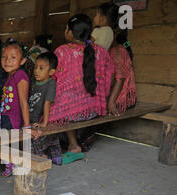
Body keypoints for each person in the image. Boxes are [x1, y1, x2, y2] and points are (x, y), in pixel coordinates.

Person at [49, 14, 114, 160]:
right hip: (95, 109)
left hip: (71, 114)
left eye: (66, 28)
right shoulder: (101, 51)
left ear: (70, 33)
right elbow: (110, 74)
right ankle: (83, 137)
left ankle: (73, 145)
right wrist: (104, 97)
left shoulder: (62, 51)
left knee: (54, 103)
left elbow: (52, 79)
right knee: (69, 97)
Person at [0, 39, 30, 176]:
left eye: (13, 58)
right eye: (4, 57)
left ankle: (11, 164)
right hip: (5, 115)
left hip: (12, 118)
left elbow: (24, 102)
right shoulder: (9, 77)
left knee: (7, 142)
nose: (7, 61)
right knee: (4, 142)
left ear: (22, 61)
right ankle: (9, 163)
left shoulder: (20, 76)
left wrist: (27, 126)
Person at [30, 52, 62, 165]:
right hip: (31, 118)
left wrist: (44, 122)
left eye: (41, 68)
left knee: (34, 141)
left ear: (51, 72)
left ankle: (49, 155)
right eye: (36, 67)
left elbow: (47, 102)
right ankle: (48, 153)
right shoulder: (33, 82)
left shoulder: (50, 83)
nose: (36, 71)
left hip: (40, 119)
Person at [108, 29, 136, 116]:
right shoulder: (123, 48)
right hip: (129, 99)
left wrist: (111, 103)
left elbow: (120, 78)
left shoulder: (115, 51)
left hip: (119, 101)